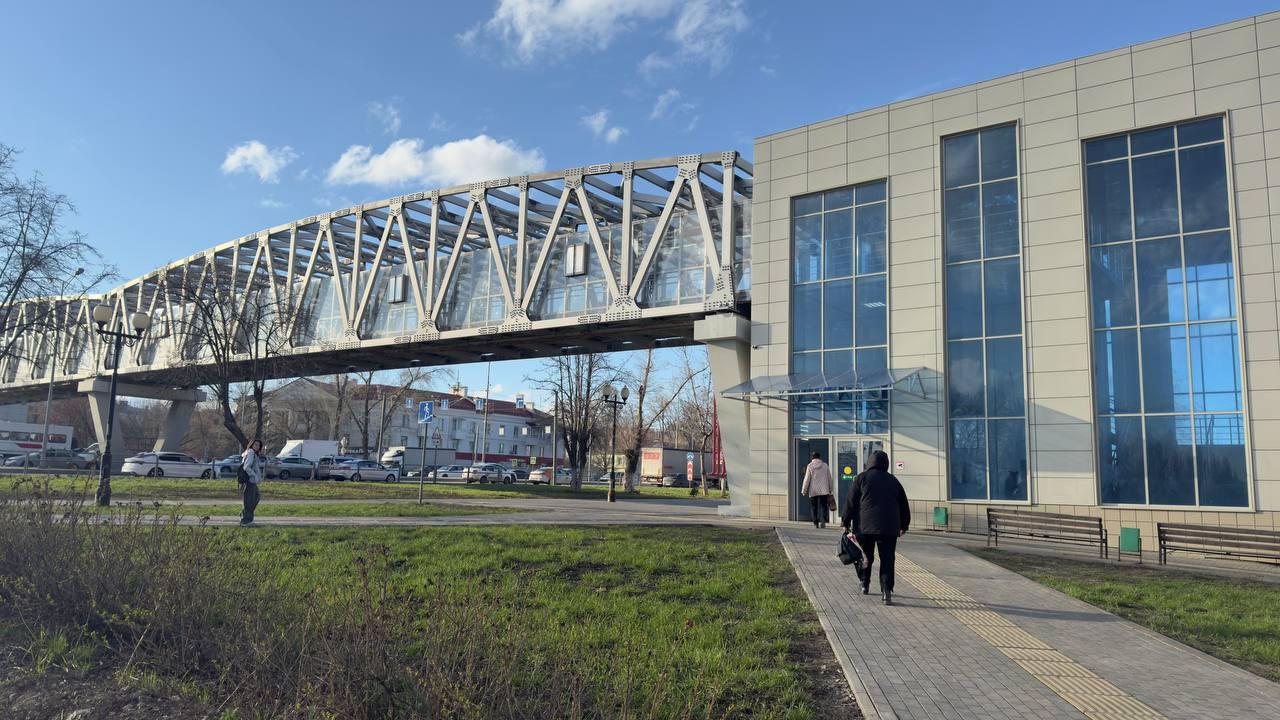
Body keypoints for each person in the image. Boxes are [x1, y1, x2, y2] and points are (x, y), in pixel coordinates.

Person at [842, 450, 909, 605]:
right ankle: (886, 592)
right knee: (887, 559)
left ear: (870, 462)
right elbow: (903, 505)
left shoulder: (861, 478)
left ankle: (864, 584)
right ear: (886, 463)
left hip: (864, 526)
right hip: (889, 527)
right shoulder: (893, 480)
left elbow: (851, 501)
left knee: (865, 556)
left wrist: (845, 521)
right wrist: (904, 525)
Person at [800, 451, 835, 529]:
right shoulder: (825, 465)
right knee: (823, 506)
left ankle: (815, 523)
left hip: (813, 490)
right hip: (824, 490)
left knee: (814, 507)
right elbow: (829, 478)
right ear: (819, 457)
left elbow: (807, 479)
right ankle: (823, 521)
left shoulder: (810, 466)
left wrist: (804, 490)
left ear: (812, 457)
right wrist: (831, 488)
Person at [239, 439, 266, 527]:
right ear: (251, 445)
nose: (257, 446)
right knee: (249, 500)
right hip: (249, 480)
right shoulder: (251, 453)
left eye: (259, 445)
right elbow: (246, 467)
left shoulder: (252, 453)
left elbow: (256, 466)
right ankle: (246, 520)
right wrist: (254, 476)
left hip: (251, 481)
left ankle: (245, 515)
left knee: (256, 497)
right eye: (255, 444)